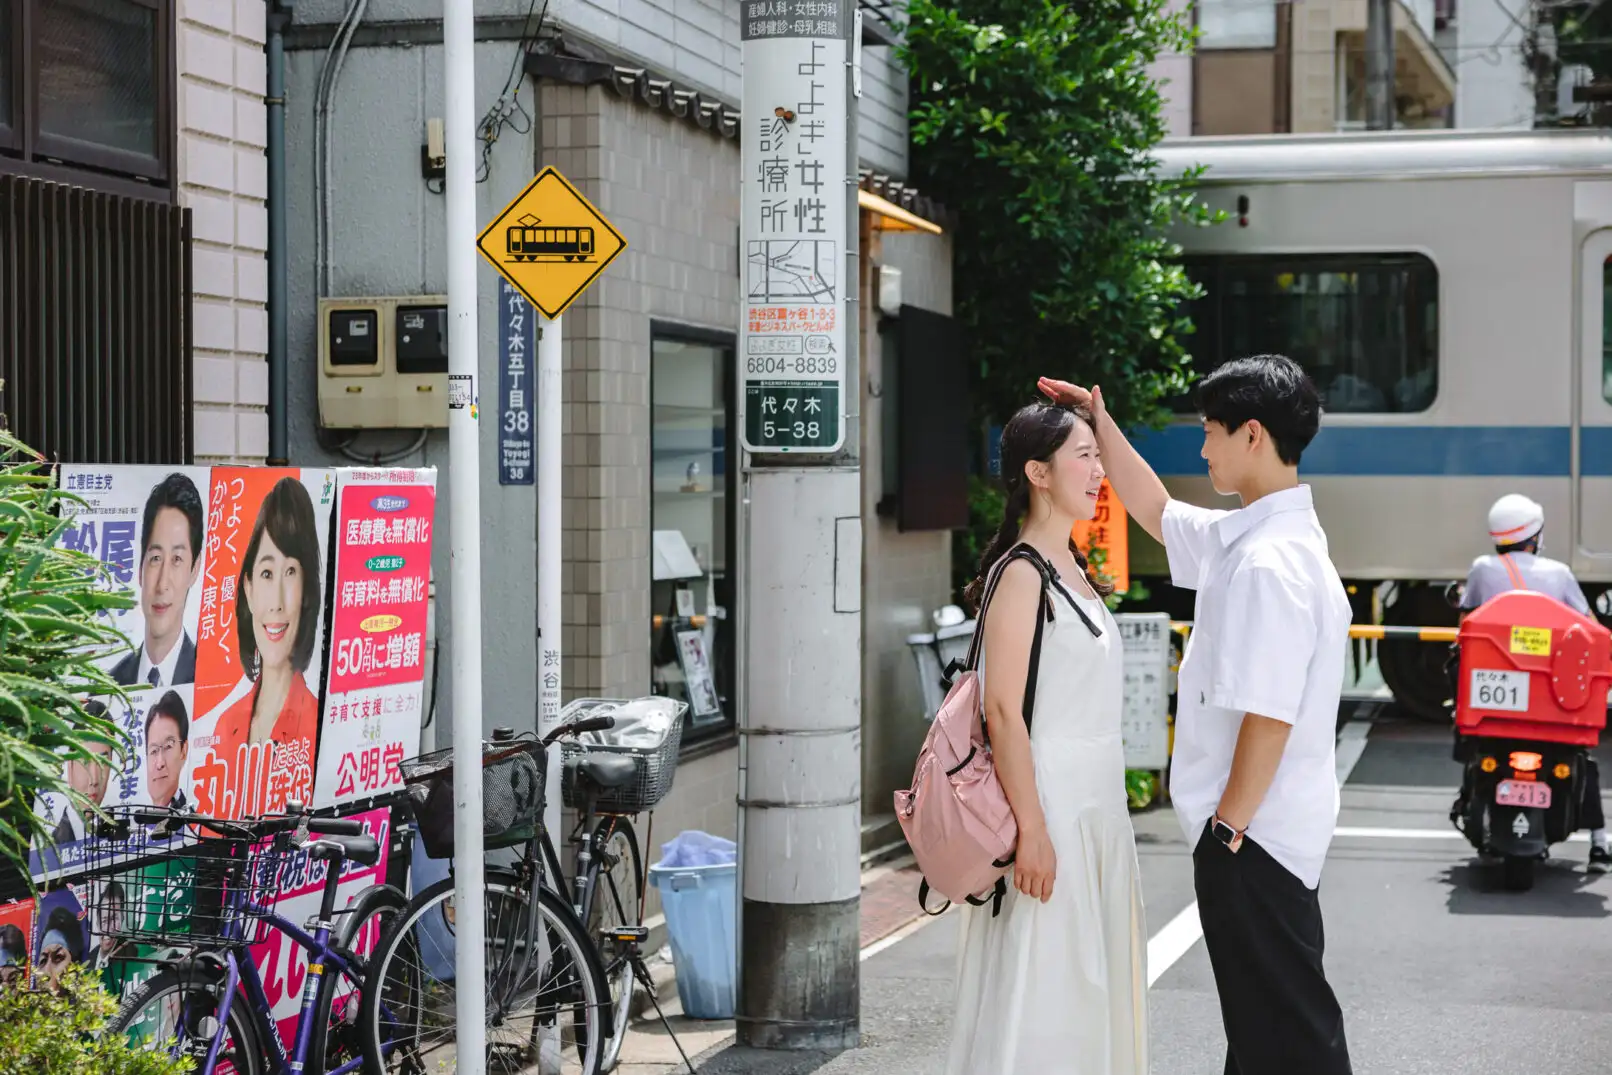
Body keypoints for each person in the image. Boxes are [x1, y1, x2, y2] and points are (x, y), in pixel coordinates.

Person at [1040, 355, 1354, 1075]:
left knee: (1286, 1035)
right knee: (1267, 1026)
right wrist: (1100, 422)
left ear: (1252, 434)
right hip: (1266, 835)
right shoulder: (1260, 539)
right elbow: (1155, 509)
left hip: (1254, 838)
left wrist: (1226, 831)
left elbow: (1269, 717)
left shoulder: (1268, 561)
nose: (1202, 448)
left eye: (1210, 431)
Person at [945, 400, 1147, 1075]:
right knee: (1046, 996)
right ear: (1038, 471)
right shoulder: (1024, 572)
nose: (1098, 471)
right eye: (1083, 456)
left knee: (1084, 992)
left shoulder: (1071, 570)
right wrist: (1032, 828)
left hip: (1094, 810)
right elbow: (1002, 710)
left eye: (1098, 456)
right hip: (1052, 807)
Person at [1455, 492, 1608, 873]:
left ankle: (1467, 801)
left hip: (1494, 705)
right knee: (1583, 762)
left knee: (1469, 738)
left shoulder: (1482, 570)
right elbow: (1588, 626)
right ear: (1534, 535)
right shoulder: (1558, 573)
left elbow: (1465, 624)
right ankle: (1600, 841)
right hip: (1555, 703)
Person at [210, 477, 322, 767]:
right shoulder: (225, 726)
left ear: (307, 592)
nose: (277, 602)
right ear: (248, 589)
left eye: (291, 572)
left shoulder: (318, 726)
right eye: (267, 574)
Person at [111, 473, 205, 688]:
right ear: (140, 567)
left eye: (177, 559)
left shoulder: (208, 681)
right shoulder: (109, 686)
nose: (163, 584)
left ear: (194, 569)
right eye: (155, 559)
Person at [145, 690, 191, 812]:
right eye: (153, 751)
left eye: (168, 747)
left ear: (183, 751)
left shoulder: (191, 822)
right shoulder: (139, 823)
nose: (160, 763)